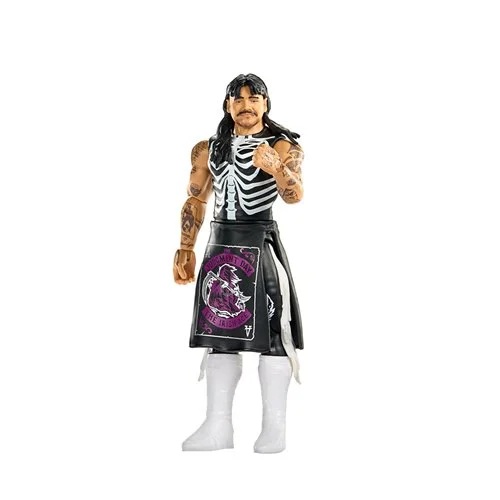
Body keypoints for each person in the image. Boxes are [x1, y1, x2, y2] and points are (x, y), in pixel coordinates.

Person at [173, 74, 304, 453]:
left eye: (254, 98)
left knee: (275, 332)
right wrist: (185, 246)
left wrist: (277, 168)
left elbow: (295, 194)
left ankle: (275, 427)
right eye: (239, 99)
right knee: (218, 334)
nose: (246, 105)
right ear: (227, 105)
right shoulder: (208, 149)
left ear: (266, 104)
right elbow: (196, 199)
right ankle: (218, 426)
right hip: (220, 244)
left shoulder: (282, 145)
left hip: (259, 242)